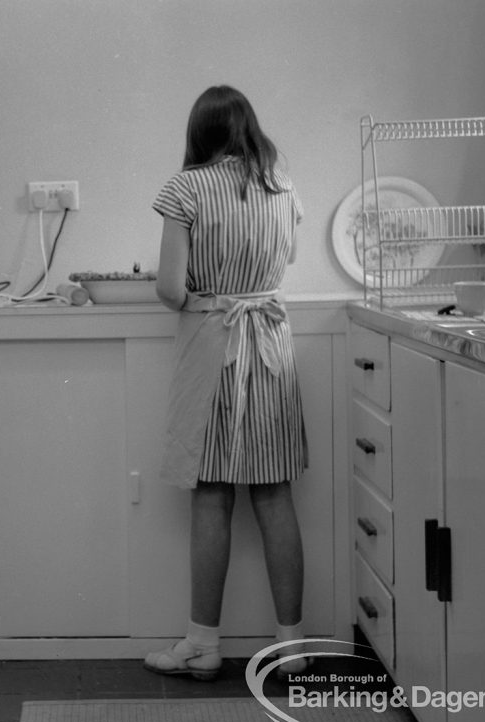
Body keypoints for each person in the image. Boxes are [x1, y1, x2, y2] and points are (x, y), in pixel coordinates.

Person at [143, 85, 311, 682]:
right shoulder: (281, 185)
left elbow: (167, 288)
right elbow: (284, 260)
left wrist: (204, 300)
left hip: (216, 344)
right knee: (274, 495)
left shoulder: (185, 188)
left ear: (200, 132)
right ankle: (291, 649)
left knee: (212, 494)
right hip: (270, 345)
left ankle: (202, 645)